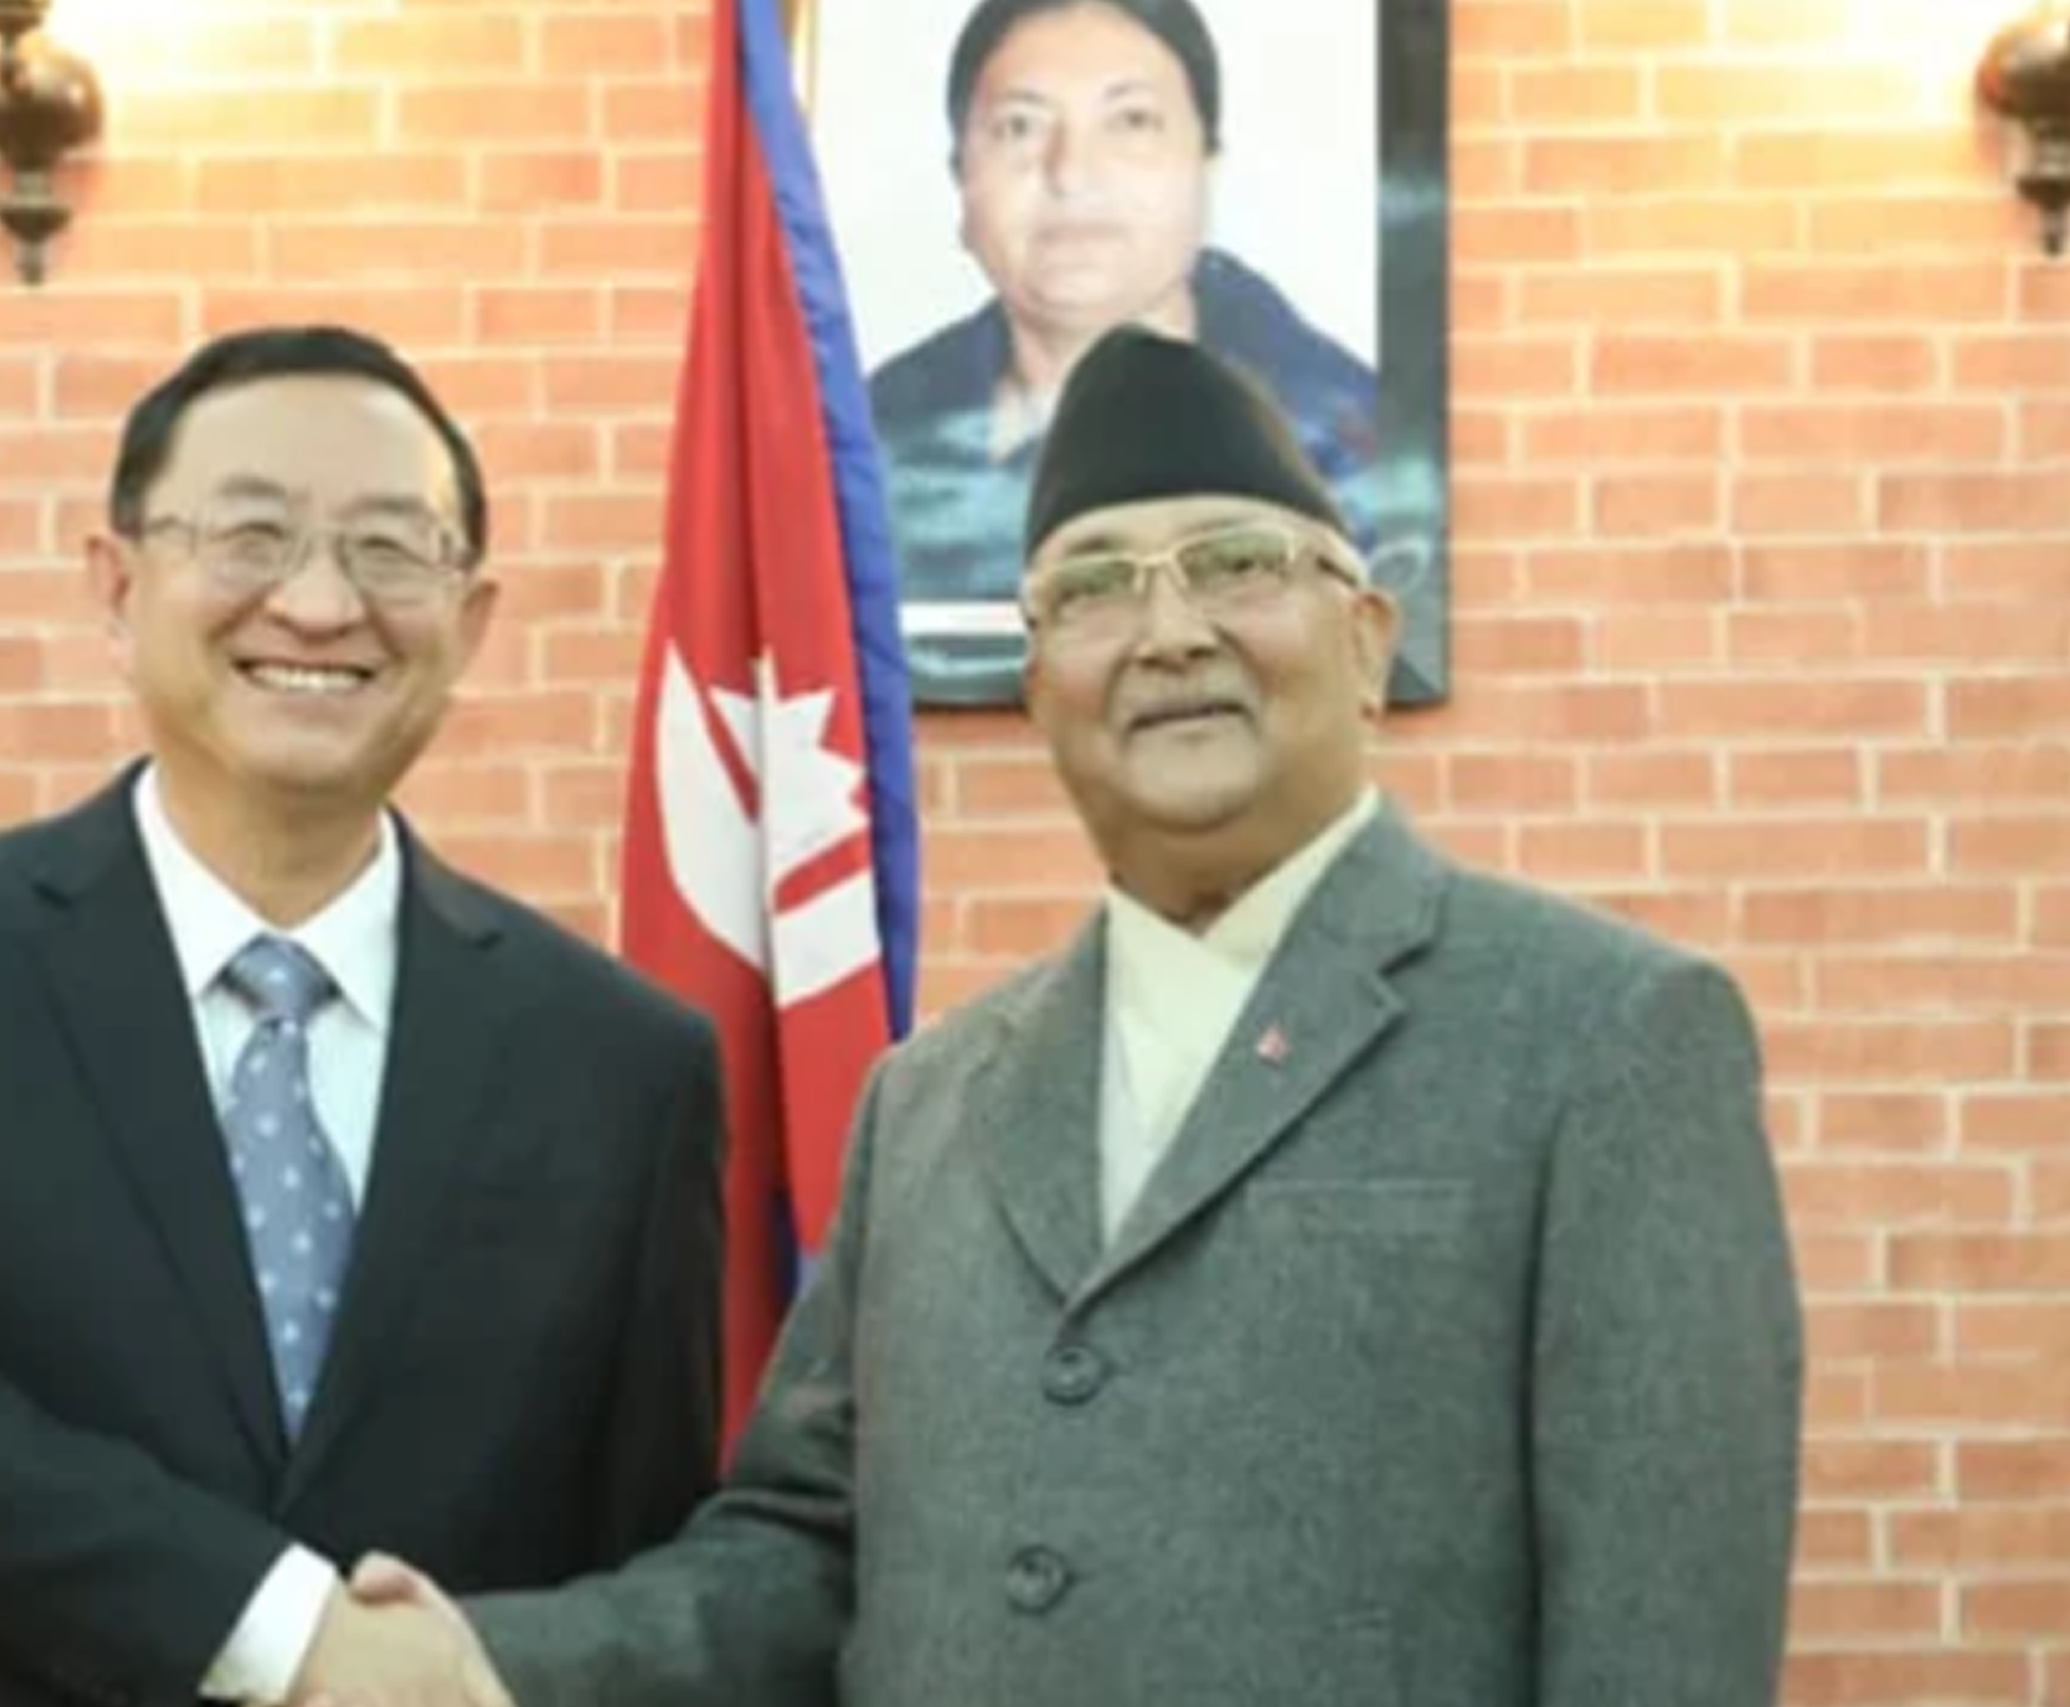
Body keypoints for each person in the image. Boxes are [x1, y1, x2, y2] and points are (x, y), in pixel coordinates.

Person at [347, 327, 1806, 1707]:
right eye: (1095, 587)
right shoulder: (930, 1099)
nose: (1168, 633)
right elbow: (804, 1559)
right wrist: (477, 1660)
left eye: (1236, 564)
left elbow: (1659, 1645)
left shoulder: (1602, 1037)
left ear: (1368, 640)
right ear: (1041, 688)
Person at [0, 325, 723, 1707]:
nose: (319, 602)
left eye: (388, 547)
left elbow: (635, 1557)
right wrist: (287, 1628)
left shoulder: (623, 1065)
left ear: (471, 621)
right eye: (251, 535)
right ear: (117, 588)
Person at [871, 0, 1382, 705]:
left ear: (1208, 167)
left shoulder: (1348, 441)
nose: (1072, 174)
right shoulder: (868, 443)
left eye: (1131, 121)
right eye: (1020, 127)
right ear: (962, 182)